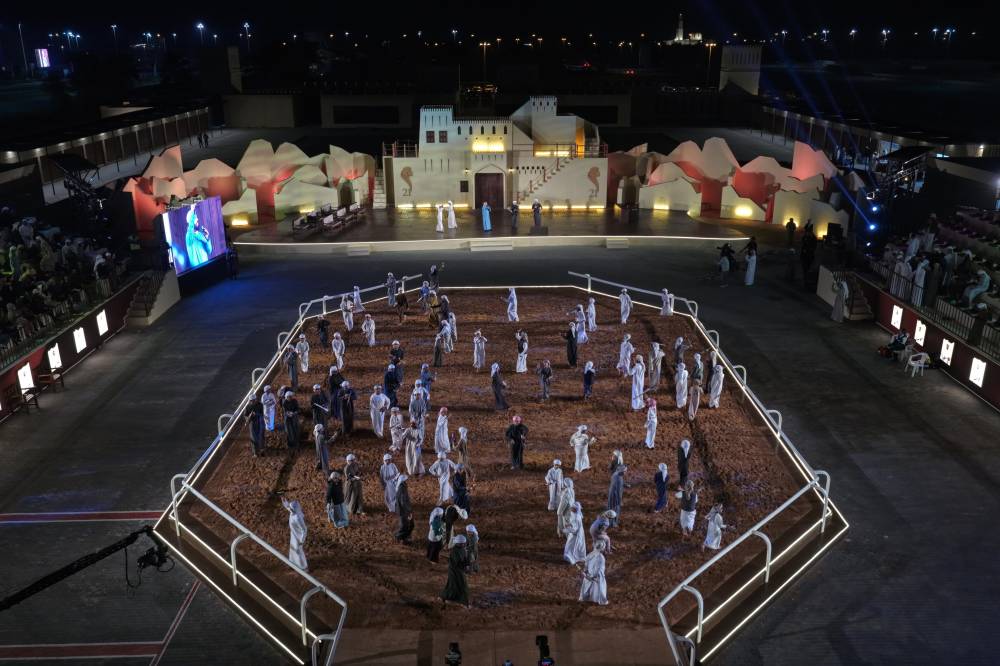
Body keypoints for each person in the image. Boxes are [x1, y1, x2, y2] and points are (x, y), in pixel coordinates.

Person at [441, 535, 471, 608]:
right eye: (463, 543)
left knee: (453, 585)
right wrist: (467, 563)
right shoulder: (455, 551)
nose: (464, 544)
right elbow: (458, 563)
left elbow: (463, 559)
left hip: (458, 570)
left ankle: (446, 597)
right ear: (459, 543)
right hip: (455, 571)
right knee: (461, 586)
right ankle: (464, 603)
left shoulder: (461, 549)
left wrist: (467, 562)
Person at [281, 497, 308, 570]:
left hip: (298, 537)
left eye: (291, 509)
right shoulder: (293, 512)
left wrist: (301, 541)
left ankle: (303, 567)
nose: (290, 509)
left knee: (298, 550)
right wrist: (285, 502)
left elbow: (304, 529)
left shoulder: (298, 518)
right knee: (293, 549)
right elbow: (288, 508)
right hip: (293, 534)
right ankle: (293, 563)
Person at [393, 475, 414, 541]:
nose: (406, 481)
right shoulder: (402, 488)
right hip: (403, 510)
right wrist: (408, 510)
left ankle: (402, 536)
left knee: (404, 524)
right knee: (404, 525)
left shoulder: (401, 486)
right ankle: (398, 536)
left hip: (401, 509)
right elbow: (403, 502)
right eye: (405, 480)